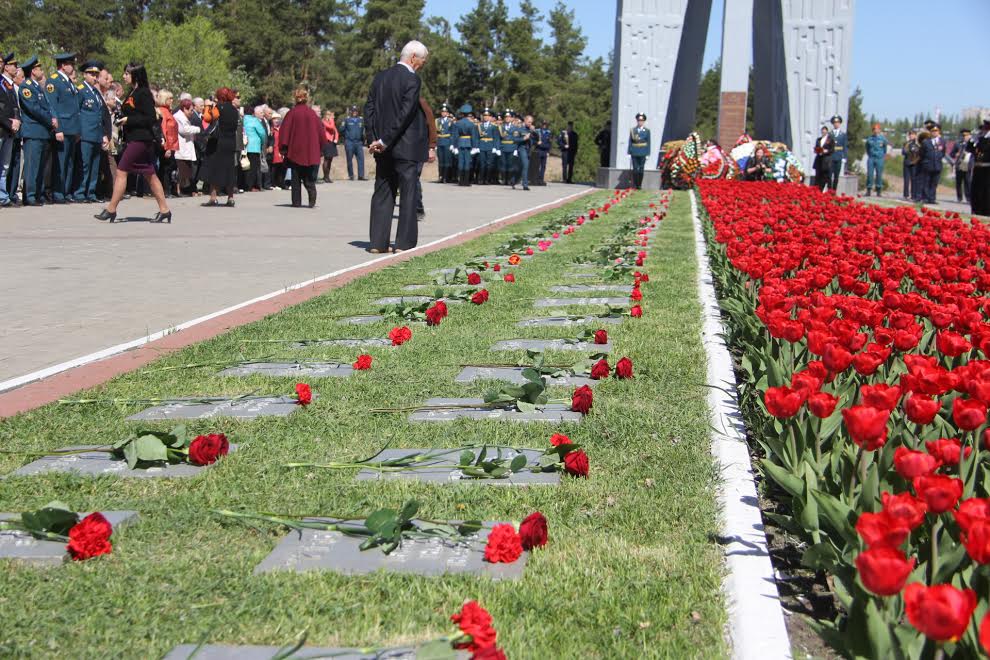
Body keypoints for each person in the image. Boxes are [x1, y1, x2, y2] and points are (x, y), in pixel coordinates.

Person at [364, 40, 430, 253]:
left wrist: (373, 139)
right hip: (405, 146)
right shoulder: (412, 79)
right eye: (422, 61)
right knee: (408, 193)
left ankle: (377, 243)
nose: (421, 65)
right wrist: (385, 140)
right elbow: (406, 112)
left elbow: (369, 110)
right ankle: (404, 243)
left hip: (382, 148)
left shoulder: (380, 77)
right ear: (412, 57)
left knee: (383, 191)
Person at [93, 63, 171, 223]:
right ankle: (165, 210)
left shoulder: (144, 93)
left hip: (141, 139)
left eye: (127, 74)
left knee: (121, 171)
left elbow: (150, 118)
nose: (124, 76)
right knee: (150, 175)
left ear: (136, 74)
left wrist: (129, 119)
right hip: (135, 138)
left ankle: (111, 209)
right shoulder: (133, 92)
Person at [277, 87, 327, 208]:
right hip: (310, 151)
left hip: (295, 151)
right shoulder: (312, 114)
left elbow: (284, 132)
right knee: (308, 176)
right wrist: (321, 148)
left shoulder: (292, 113)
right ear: (306, 99)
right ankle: (311, 193)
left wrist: (283, 148)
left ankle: (296, 202)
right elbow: (321, 133)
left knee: (296, 177)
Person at [18, 56, 56, 207]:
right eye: (39, 68)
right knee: (32, 165)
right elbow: (34, 108)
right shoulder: (26, 87)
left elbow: (46, 105)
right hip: (33, 131)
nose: (42, 71)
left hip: (42, 131)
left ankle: (38, 194)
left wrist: (52, 117)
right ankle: (30, 195)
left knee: (40, 166)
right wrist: (50, 119)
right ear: (33, 71)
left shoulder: (37, 87)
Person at [47, 53, 82, 202]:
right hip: (63, 127)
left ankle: (66, 192)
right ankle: (58, 193)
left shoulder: (68, 82)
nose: (72, 67)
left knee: (69, 162)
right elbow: (53, 106)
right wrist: (58, 129)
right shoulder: (54, 81)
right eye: (70, 64)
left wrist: (77, 130)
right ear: (63, 65)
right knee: (61, 163)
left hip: (72, 128)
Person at [200, 87, 239, 207]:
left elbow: (207, 118)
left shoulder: (218, 108)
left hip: (218, 142)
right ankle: (230, 198)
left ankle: (213, 197)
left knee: (214, 169)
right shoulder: (234, 110)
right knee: (229, 169)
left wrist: (208, 106)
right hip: (231, 142)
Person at [75, 61, 107, 203]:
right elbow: (76, 112)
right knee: (85, 164)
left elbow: (99, 115)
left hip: (96, 134)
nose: (94, 77)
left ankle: (91, 192)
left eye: (96, 74)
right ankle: (80, 192)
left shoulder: (95, 92)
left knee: (95, 166)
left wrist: (103, 134)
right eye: (91, 74)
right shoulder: (81, 90)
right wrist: (78, 132)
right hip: (85, 133)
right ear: (85, 75)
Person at [0, 53, 21, 207]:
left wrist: (17, 121)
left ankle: (2, 196)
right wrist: (9, 122)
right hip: (2, 127)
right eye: (13, 65)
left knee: (4, 166)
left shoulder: (8, 84)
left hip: (8, 130)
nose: (16, 68)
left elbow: (14, 107)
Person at [174, 98, 200, 196]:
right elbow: (184, 130)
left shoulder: (183, 117)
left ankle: (185, 189)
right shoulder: (178, 117)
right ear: (185, 108)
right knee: (182, 171)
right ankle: (180, 190)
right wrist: (197, 129)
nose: (192, 113)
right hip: (181, 147)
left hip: (186, 147)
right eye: (191, 110)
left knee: (186, 171)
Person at [449, 103, 478, 187]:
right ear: (469, 113)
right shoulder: (471, 124)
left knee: (461, 162)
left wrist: (454, 146)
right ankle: (466, 181)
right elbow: (473, 136)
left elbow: (455, 136)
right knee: (467, 162)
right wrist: (474, 146)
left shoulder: (457, 123)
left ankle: (461, 181)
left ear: (462, 113)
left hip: (460, 143)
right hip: (468, 143)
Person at [157, 89, 179, 197]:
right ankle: (165, 191)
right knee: (165, 169)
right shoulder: (162, 112)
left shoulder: (168, 111)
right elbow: (164, 130)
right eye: (170, 98)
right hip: (167, 146)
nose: (172, 100)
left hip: (172, 145)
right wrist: (167, 148)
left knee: (169, 168)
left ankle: (168, 190)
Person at [919, 123, 945, 204]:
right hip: (927, 165)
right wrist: (926, 161)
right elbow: (921, 153)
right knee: (926, 182)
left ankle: (932, 198)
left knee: (934, 183)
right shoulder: (926, 142)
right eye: (933, 131)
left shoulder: (942, 141)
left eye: (936, 130)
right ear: (930, 132)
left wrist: (938, 158)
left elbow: (943, 153)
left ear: (939, 131)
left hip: (937, 165)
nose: (934, 132)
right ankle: (926, 198)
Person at [243, 105, 267, 191]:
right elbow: (262, 133)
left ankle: (243, 185)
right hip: (254, 147)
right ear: (253, 113)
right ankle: (250, 186)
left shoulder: (242, 119)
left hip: (244, 146)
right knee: (253, 168)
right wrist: (263, 142)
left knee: (244, 167)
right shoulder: (254, 120)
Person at [969, 118, 990, 216]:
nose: (984, 129)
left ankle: (986, 210)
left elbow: (985, 149)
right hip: (978, 167)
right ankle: (976, 209)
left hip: (987, 168)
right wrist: (972, 139)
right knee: (976, 189)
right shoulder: (979, 138)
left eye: (986, 127)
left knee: (986, 191)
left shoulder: (985, 139)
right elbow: (969, 149)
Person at [511, 114, 535, 190]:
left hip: (528, 149)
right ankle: (525, 184)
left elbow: (536, 139)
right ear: (525, 120)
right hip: (521, 148)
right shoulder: (519, 128)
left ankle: (513, 180)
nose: (530, 123)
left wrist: (534, 132)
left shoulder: (531, 129)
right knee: (526, 165)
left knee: (521, 167)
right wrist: (523, 138)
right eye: (529, 122)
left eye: (531, 122)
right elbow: (514, 140)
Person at [864, 123, 889, 197]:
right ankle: (868, 190)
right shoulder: (869, 139)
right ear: (872, 130)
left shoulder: (883, 139)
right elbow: (867, 148)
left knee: (879, 174)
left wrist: (882, 156)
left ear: (879, 130)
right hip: (871, 158)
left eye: (877, 129)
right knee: (870, 174)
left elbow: (885, 149)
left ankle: (879, 190)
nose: (875, 130)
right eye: (874, 129)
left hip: (879, 158)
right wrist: (870, 155)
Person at [342, 105, 366, 180]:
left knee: (361, 159)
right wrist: (346, 138)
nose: (355, 112)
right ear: (351, 112)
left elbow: (363, 131)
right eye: (353, 111)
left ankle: (361, 175)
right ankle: (351, 175)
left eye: (356, 111)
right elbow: (341, 130)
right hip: (349, 142)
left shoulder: (361, 120)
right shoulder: (346, 120)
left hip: (358, 142)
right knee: (349, 159)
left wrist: (363, 140)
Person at [628, 113, 650, 189]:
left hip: (643, 151)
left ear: (644, 121)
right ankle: (636, 184)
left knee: (641, 169)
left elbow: (648, 142)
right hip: (635, 151)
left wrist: (647, 153)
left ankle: (639, 185)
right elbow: (630, 141)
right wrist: (629, 152)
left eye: (642, 120)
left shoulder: (647, 131)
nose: (640, 122)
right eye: (639, 120)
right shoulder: (633, 130)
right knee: (635, 169)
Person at [950, 129, 973, 203]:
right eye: (963, 135)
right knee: (958, 182)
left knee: (967, 182)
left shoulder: (972, 144)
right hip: (959, 165)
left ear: (970, 136)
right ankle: (959, 198)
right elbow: (951, 154)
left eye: (966, 135)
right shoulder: (958, 144)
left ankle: (968, 198)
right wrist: (955, 154)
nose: (965, 137)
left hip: (968, 166)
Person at [477, 109, 498, 185]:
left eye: (487, 116)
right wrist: (476, 147)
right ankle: (481, 179)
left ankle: (487, 179)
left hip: (490, 145)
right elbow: (477, 137)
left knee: (489, 164)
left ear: (490, 117)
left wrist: (496, 147)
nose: (486, 117)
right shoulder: (479, 126)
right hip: (482, 145)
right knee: (482, 163)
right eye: (484, 116)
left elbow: (496, 137)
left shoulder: (494, 126)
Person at [812, 125, 834, 191]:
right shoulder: (819, 140)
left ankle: (827, 190)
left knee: (826, 177)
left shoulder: (830, 140)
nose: (823, 133)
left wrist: (826, 151)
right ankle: (817, 190)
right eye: (822, 132)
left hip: (826, 161)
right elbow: (816, 147)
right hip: (819, 159)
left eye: (824, 132)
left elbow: (832, 150)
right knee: (818, 176)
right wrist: (817, 150)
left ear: (827, 132)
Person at [435, 103, 453, 183]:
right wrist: (435, 143)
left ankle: (446, 177)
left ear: (448, 113)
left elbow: (453, 133)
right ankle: (440, 176)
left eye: (445, 112)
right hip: (440, 142)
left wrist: (452, 144)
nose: (443, 113)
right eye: (442, 112)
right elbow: (435, 132)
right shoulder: (437, 121)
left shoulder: (451, 121)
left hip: (447, 142)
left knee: (447, 160)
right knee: (441, 160)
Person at [829, 114, 847, 191]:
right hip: (831, 156)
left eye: (838, 122)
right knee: (829, 175)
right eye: (835, 122)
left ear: (840, 123)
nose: (836, 124)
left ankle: (834, 191)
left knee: (836, 176)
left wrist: (844, 157)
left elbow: (845, 146)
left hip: (839, 156)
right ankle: (829, 190)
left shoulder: (843, 135)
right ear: (833, 123)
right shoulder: (830, 134)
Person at [902, 129, 920, 200]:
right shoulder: (906, 143)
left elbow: (919, 153)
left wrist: (914, 151)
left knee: (914, 179)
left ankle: (913, 194)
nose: (911, 136)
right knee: (906, 180)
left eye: (912, 134)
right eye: (910, 134)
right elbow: (903, 152)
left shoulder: (918, 144)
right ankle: (906, 194)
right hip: (907, 162)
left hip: (914, 163)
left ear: (915, 135)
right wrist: (909, 150)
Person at [535, 120, 552, 185]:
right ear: (541, 124)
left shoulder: (548, 132)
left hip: (545, 151)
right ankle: (536, 179)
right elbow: (534, 140)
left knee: (543, 166)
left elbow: (550, 143)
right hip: (539, 150)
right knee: (537, 165)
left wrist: (548, 151)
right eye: (543, 124)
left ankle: (541, 179)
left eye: (545, 124)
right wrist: (537, 143)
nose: (544, 125)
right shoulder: (538, 131)